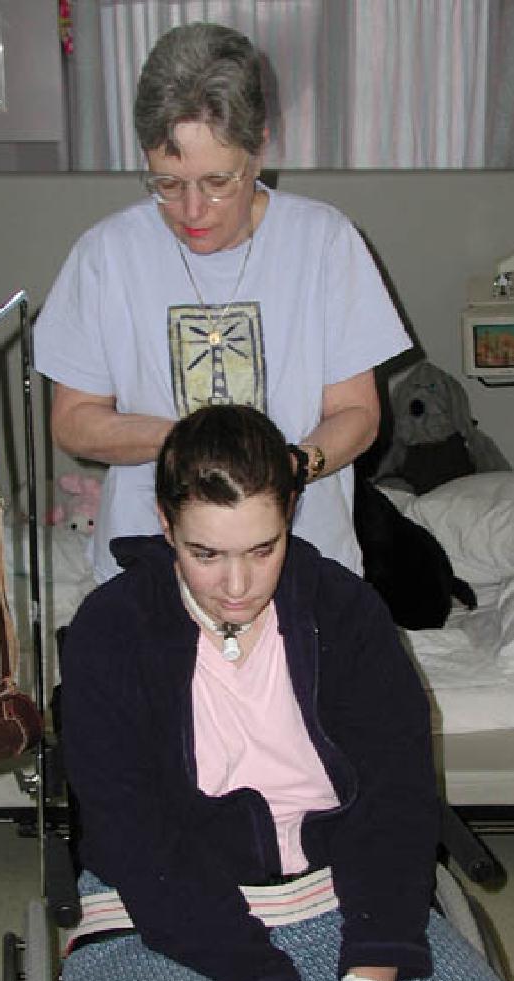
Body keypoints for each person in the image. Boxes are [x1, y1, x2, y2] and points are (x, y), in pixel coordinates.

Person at [58, 404, 514, 981]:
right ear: (164, 523)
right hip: (156, 918)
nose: (236, 585)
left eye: (262, 550)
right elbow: (139, 842)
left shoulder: (345, 613)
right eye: (205, 553)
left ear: (289, 515)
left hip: (341, 898)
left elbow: (394, 800)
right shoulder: (111, 631)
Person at [34, 21, 411, 584]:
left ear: (258, 148)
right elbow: (73, 423)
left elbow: (357, 416)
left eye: (217, 182)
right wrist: (194, 449)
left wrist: (285, 468)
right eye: (166, 183)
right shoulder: (105, 255)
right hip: (150, 567)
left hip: (303, 565)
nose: (192, 211)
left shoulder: (324, 242)